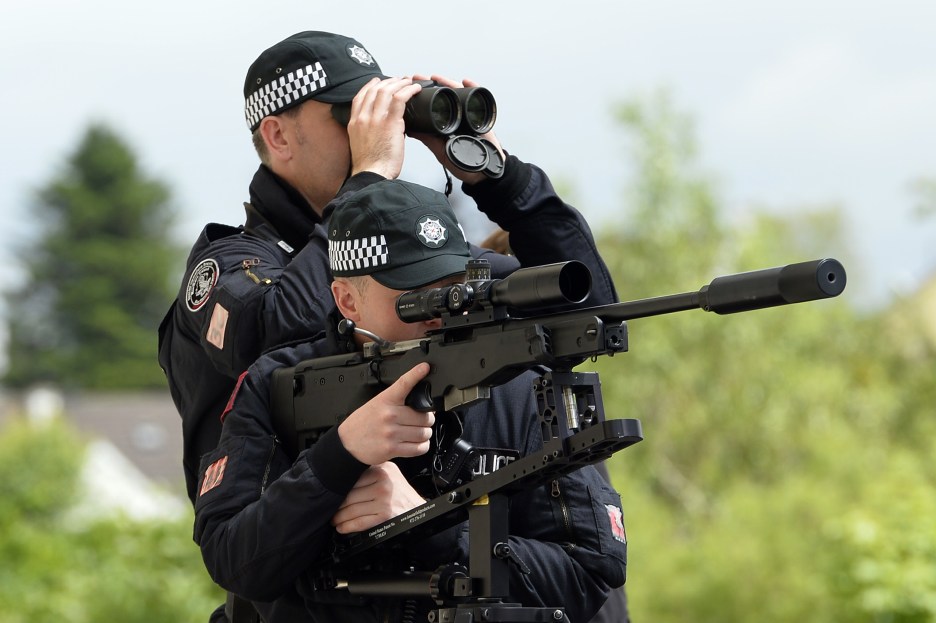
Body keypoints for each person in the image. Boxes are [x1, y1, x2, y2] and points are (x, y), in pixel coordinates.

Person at [157, 30, 626, 621]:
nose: (380, 130)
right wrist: (369, 178)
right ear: (277, 135)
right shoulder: (229, 265)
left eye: (385, 112)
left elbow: (586, 316)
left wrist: (495, 175)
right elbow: (277, 335)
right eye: (353, 116)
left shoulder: (431, 265)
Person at [192, 179, 628, 623]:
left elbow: (589, 575)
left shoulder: (519, 386)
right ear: (347, 300)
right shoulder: (276, 385)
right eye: (414, 295)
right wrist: (338, 456)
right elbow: (233, 560)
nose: (441, 309)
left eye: (453, 286)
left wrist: (430, 523)